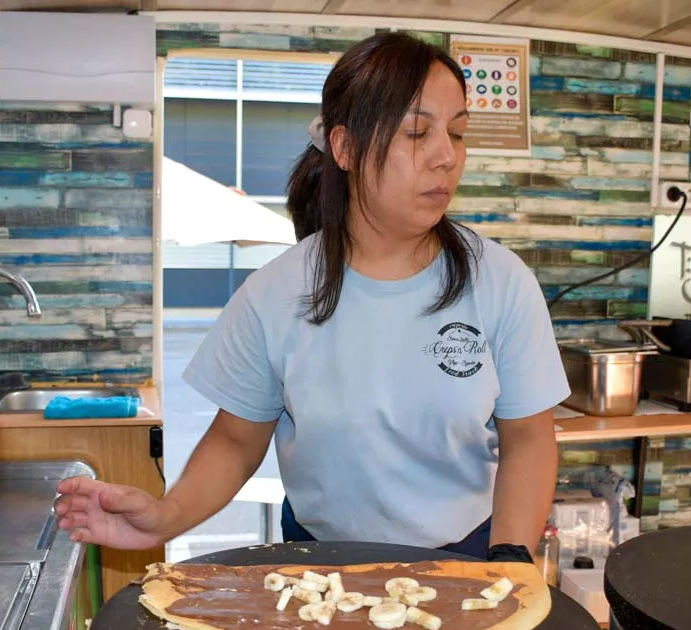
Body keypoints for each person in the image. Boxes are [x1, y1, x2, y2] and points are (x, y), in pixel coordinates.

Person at [55, 32, 569, 562]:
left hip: (468, 556)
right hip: (321, 565)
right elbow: (236, 441)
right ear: (345, 148)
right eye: (417, 131)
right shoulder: (274, 294)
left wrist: (511, 561)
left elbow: (528, 436)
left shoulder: (501, 281)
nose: (447, 157)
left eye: (457, 133)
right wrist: (166, 518)